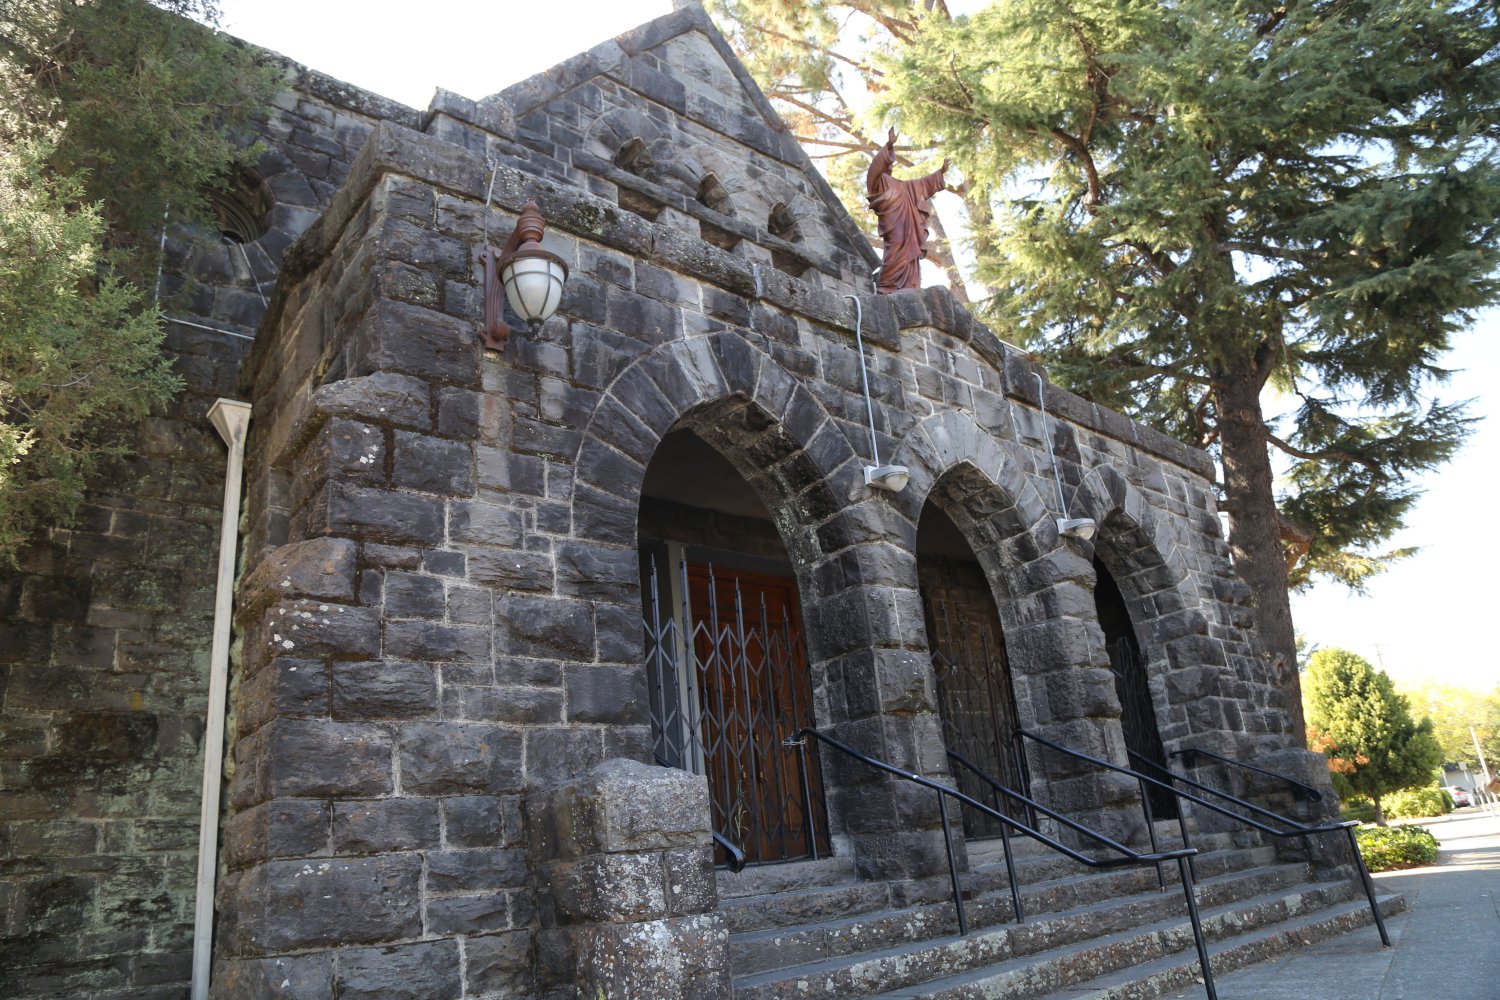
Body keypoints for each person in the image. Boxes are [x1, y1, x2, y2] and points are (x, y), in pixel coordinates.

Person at [866, 128, 948, 294]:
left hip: (909, 227)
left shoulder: (902, 185)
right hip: (894, 226)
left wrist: (940, 173)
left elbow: (922, 184)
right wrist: (889, 145)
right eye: (886, 162)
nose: (889, 165)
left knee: (911, 253)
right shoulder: (878, 182)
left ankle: (909, 285)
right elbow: (873, 169)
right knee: (895, 250)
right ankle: (889, 286)